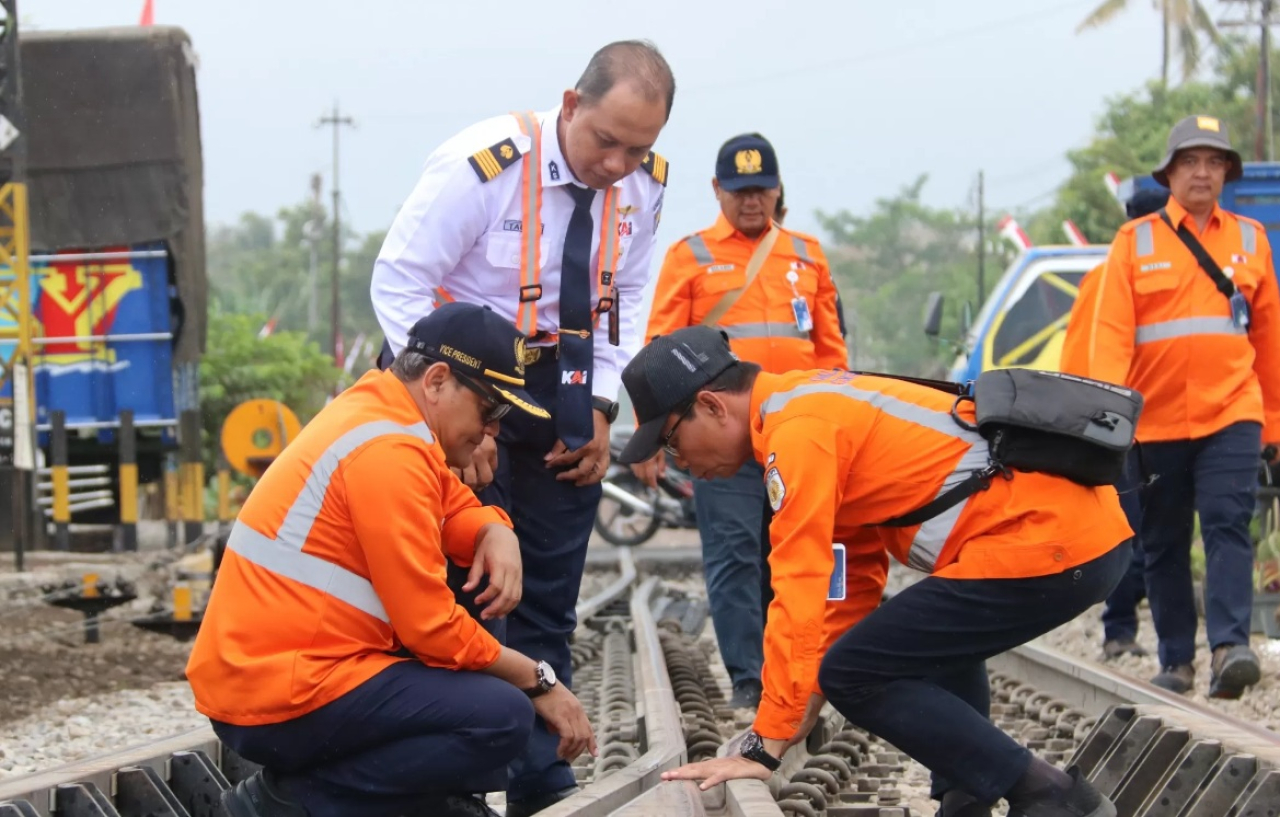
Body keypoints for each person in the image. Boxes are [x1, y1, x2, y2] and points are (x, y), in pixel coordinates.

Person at [617, 326, 1131, 817]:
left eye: (670, 442)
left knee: (855, 673)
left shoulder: (797, 431)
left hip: (1051, 542)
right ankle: (963, 802)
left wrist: (767, 740)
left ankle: (1053, 797)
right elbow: (853, 577)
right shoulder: (809, 401)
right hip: (1079, 537)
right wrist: (802, 704)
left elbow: (799, 584)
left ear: (710, 405)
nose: (678, 462)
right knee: (919, 648)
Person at [368, 40, 674, 815]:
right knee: (459, 586)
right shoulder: (485, 164)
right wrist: (462, 414)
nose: (617, 163)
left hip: (563, 379)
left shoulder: (643, 184)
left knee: (545, 592)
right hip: (453, 376)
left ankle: (540, 772)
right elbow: (398, 282)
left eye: (638, 148)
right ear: (570, 105)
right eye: (606, 140)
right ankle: (446, 778)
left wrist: (603, 405)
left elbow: (626, 292)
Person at [186, 302, 598, 817]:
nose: (492, 432)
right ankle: (282, 805)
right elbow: (432, 628)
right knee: (500, 716)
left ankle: (423, 802)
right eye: (490, 411)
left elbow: (451, 502)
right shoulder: (387, 452)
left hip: (287, 671)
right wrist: (542, 680)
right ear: (438, 381)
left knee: (481, 700)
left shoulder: (381, 414)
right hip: (280, 690)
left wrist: (495, 527)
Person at [632, 134, 846, 709]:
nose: (751, 203)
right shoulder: (691, 256)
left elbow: (831, 348)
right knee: (732, 557)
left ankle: (794, 671)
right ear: (716, 192)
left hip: (798, 433)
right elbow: (659, 348)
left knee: (794, 554)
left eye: (761, 191)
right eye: (739, 192)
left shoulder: (807, 254)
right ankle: (749, 681)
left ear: (778, 191)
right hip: (719, 439)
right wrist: (651, 433)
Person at [1074, 115, 1280, 698]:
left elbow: (1269, 341)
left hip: (1231, 413)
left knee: (1227, 523)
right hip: (1154, 421)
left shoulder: (1250, 239)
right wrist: (1110, 424)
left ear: (1226, 174)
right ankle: (1176, 659)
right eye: (1191, 161)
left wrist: (1274, 423)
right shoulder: (1133, 243)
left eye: (1214, 162)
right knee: (1163, 540)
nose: (1202, 172)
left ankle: (1230, 648)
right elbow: (1110, 337)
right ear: (1169, 173)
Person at [1061, 186, 1168, 661]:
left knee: (1130, 530)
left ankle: (1125, 630)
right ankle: (1126, 631)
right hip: (1134, 423)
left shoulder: (1099, 278)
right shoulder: (1128, 278)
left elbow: (1073, 357)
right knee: (1146, 532)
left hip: (1110, 423)